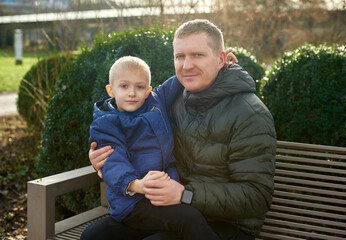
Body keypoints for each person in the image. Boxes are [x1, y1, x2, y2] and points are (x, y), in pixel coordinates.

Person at [84, 19, 276, 240]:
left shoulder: (249, 113)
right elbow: (127, 123)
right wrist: (104, 154)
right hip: (169, 207)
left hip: (225, 224)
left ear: (221, 58)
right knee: (94, 237)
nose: (186, 66)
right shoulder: (172, 100)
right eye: (180, 57)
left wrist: (186, 195)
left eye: (198, 55)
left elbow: (258, 197)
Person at [86, 56, 220, 240]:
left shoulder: (156, 103)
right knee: (91, 236)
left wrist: (215, 61)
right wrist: (138, 185)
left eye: (139, 87)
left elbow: (179, 79)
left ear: (148, 91)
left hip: (163, 196)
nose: (132, 93)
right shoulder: (105, 123)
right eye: (124, 86)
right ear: (111, 90)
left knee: (189, 218)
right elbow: (113, 162)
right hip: (131, 203)